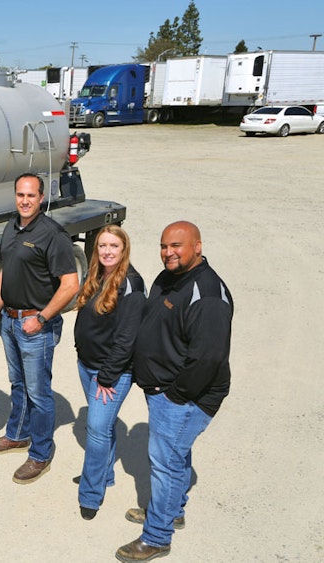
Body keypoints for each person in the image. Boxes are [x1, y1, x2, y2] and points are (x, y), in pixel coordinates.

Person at [116, 221, 233, 562]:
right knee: (176, 454)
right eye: (164, 245)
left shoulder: (207, 294)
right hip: (164, 389)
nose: (168, 252)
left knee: (165, 463)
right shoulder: (170, 277)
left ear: (197, 246)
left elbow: (209, 356)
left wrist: (176, 395)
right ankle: (171, 511)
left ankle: (157, 536)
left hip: (184, 395)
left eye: (177, 246)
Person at [0, 173, 79, 485]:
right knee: (18, 383)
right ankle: (18, 435)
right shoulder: (12, 225)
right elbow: (5, 270)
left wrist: (42, 318)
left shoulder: (53, 235)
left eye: (31, 196)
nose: (25, 201)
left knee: (38, 392)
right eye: (20, 195)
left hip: (35, 324)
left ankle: (40, 452)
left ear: (41, 198)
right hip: (10, 320)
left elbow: (70, 285)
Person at [72, 225, 146, 519]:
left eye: (114, 246)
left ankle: (90, 494)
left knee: (97, 430)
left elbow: (128, 338)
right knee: (104, 426)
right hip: (87, 366)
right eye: (102, 246)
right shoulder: (97, 274)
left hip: (110, 374)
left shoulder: (131, 283)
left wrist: (107, 376)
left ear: (124, 249)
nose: (107, 251)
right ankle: (105, 475)